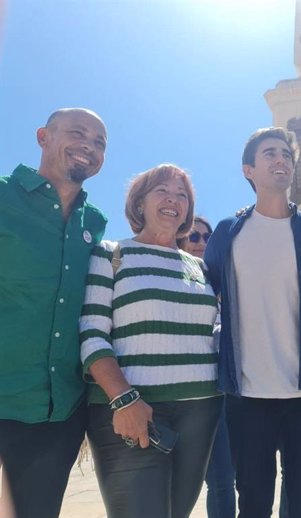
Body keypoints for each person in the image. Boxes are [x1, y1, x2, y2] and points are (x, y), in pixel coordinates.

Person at [204, 127, 301, 518]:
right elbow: (206, 294)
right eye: (270, 154)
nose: (281, 160)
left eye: (286, 155)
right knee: (254, 502)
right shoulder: (229, 232)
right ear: (249, 170)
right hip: (248, 396)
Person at [79, 164, 222, 518]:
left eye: (182, 195)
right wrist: (124, 400)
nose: (173, 199)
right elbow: (92, 333)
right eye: (162, 190)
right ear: (139, 203)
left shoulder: (199, 267)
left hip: (200, 411)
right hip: (131, 409)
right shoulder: (112, 254)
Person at [0, 108, 108, 518]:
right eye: (78, 133)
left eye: (99, 142)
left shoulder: (94, 223)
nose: (89, 146)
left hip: (58, 414)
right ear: (43, 135)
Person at [178, 215, 237, 518]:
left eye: (207, 237)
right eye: (194, 236)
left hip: (221, 394)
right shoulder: (172, 278)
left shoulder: (221, 283)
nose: (202, 243)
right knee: (178, 483)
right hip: (182, 395)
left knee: (223, 479)